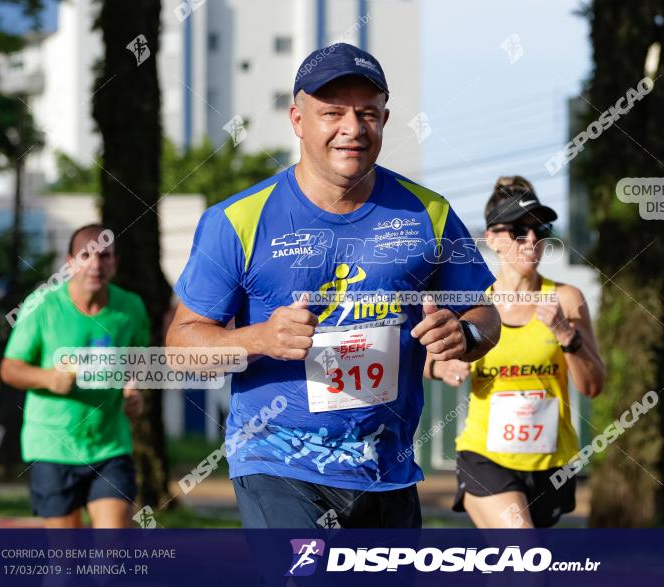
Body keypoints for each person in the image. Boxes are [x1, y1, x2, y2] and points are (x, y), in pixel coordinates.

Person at [166, 42, 500, 529]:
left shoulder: (430, 213)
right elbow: (179, 347)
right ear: (298, 120)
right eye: (332, 113)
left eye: (367, 113)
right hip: (277, 462)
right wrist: (260, 338)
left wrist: (464, 335)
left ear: (384, 119)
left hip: (386, 469)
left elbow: (484, 316)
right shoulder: (236, 220)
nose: (352, 128)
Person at [428, 176, 605, 528]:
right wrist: (441, 369)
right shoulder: (475, 302)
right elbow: (428, 359)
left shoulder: (566, 299)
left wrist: (565, 334)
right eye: (518, 232)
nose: (532, 240)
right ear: (492, 238)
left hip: (549, 462)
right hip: (485, 457)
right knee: (523, 554)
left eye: (541, 229)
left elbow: (593, 385)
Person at [0, 224, 147, 528]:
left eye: (105, 257)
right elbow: (9, 369)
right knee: (66, 561)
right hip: (52, 446)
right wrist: (48, 378)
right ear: (69, 263)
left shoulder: (130, 308)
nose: (96, 265)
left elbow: (139, 361)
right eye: (86, 256)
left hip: (110, 446)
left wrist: (135, 391)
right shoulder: (42, 305)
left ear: (115, 262)